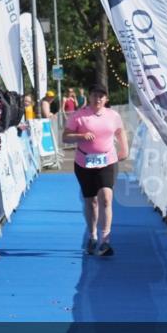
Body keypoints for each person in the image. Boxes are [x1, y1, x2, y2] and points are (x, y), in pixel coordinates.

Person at [63, 84, 129, 257]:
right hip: (84, 162)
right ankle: (92, 236)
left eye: (101, 96)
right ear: (89, 97)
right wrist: (81, 136)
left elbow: (120, 132)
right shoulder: (79, 116)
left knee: (106, 198)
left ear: (106, 99)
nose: (98, 99)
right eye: (95, 95)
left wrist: (125, 149)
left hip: (107, 160)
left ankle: (105, 240)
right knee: (91, 201)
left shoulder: (113, 115)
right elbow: (65, 136)